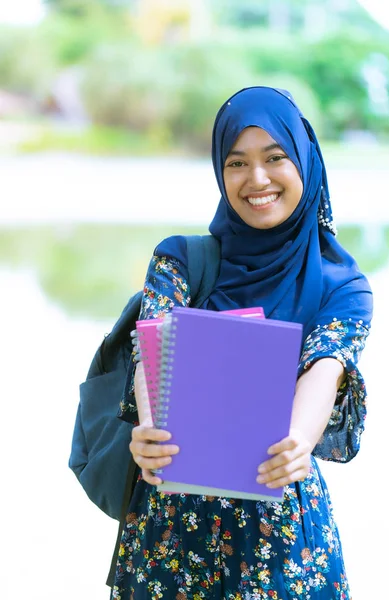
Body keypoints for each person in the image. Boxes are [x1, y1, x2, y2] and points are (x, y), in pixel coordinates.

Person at [111, 86, 373, 599]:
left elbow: (328, 366)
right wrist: (148, 429)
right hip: (171, 532)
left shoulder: (342, 286)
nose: (257, 180)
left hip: (281, 536)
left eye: (275, 158)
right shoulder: (181, 261)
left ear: (305, 162)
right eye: (237, 163)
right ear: (219, 171)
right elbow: (152, 348)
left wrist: (298, 439)